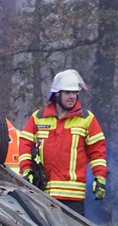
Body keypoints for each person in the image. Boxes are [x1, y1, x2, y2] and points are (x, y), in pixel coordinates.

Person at [17, 69, 107, 214]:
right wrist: (27, 170)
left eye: (75, 93)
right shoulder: (38, 118)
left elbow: (97, 153)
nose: (72, 96)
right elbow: (25, 146)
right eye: (67, 92)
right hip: (43, 193)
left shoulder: (86, 119)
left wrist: (100, 178)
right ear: (57, 94)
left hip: (73, 197)